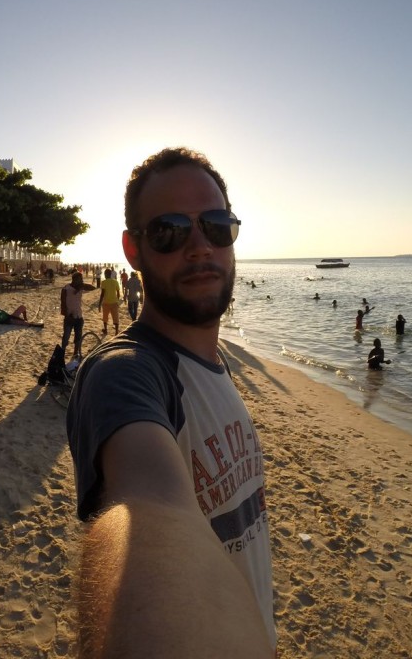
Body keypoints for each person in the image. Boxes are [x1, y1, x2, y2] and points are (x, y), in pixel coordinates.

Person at [67, 147, 275, 656]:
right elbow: (147, 509)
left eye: (217, 225)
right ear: (132, 250)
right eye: (169, 231)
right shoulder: (126, 373)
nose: (200, 246)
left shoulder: (212, 362)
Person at [61, 271, 95, 357]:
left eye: (82, 279)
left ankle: (75, 353)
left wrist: (81, 287)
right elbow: (63, 303)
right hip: (69, 317)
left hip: (79, 317)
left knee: (78, 338)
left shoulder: (80, 288)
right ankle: (62, 354)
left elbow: (93, 288)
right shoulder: (66, 288)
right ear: (74, 280)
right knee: (66, 337)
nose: (81, 281)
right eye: (80, 279)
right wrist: (67, 315)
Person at [97, 267, 122, 335]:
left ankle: (105, 330)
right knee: (116, 317)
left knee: (105, 317)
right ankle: (116, 331)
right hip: (114, 302)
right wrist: (117, 301)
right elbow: (118, 293)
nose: (105, 275)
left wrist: (99, 303)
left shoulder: (104, 282)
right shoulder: (115, 281)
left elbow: (102, 294)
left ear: (106, 274)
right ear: (111, 274)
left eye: (105, 274)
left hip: (106, 303)